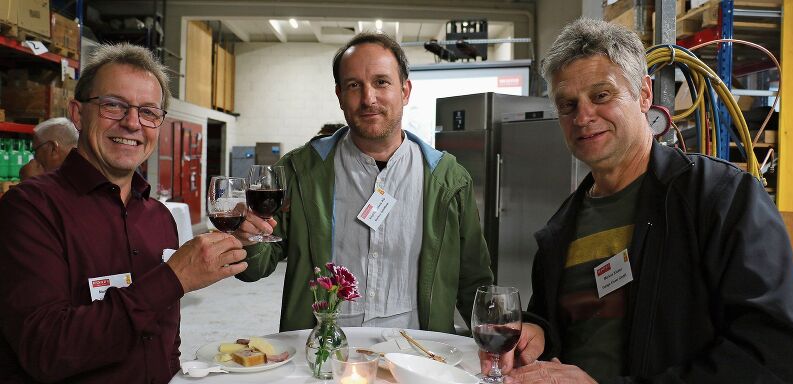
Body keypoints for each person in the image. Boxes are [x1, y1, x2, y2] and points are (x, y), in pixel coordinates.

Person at [481, 18, 793, 383]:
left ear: (644, 94)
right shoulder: (560, 229)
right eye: (568, 105)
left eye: (601, 95)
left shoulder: (721, 199)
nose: (583, 116)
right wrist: (538, 333)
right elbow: (567, 327)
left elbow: (773, 356)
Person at [0, 43, 247, 383]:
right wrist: (172, 278)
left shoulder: (159, 218)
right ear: (77, 113)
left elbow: (165, 339)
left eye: (148, 112)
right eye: (113, 105)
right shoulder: (30, 209)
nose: (133, 123)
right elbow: (46, 350)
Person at [235, 32, 493, 332]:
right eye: (354, 85)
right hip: (322, 353)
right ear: (340, 95)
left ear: (405, 91)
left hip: (415, 355)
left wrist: (491, 342)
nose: (369, 98)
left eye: (381, 82)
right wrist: (246, 238)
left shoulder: (448, 179)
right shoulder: (298, 171)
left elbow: (474, 281)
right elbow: (256, 267)